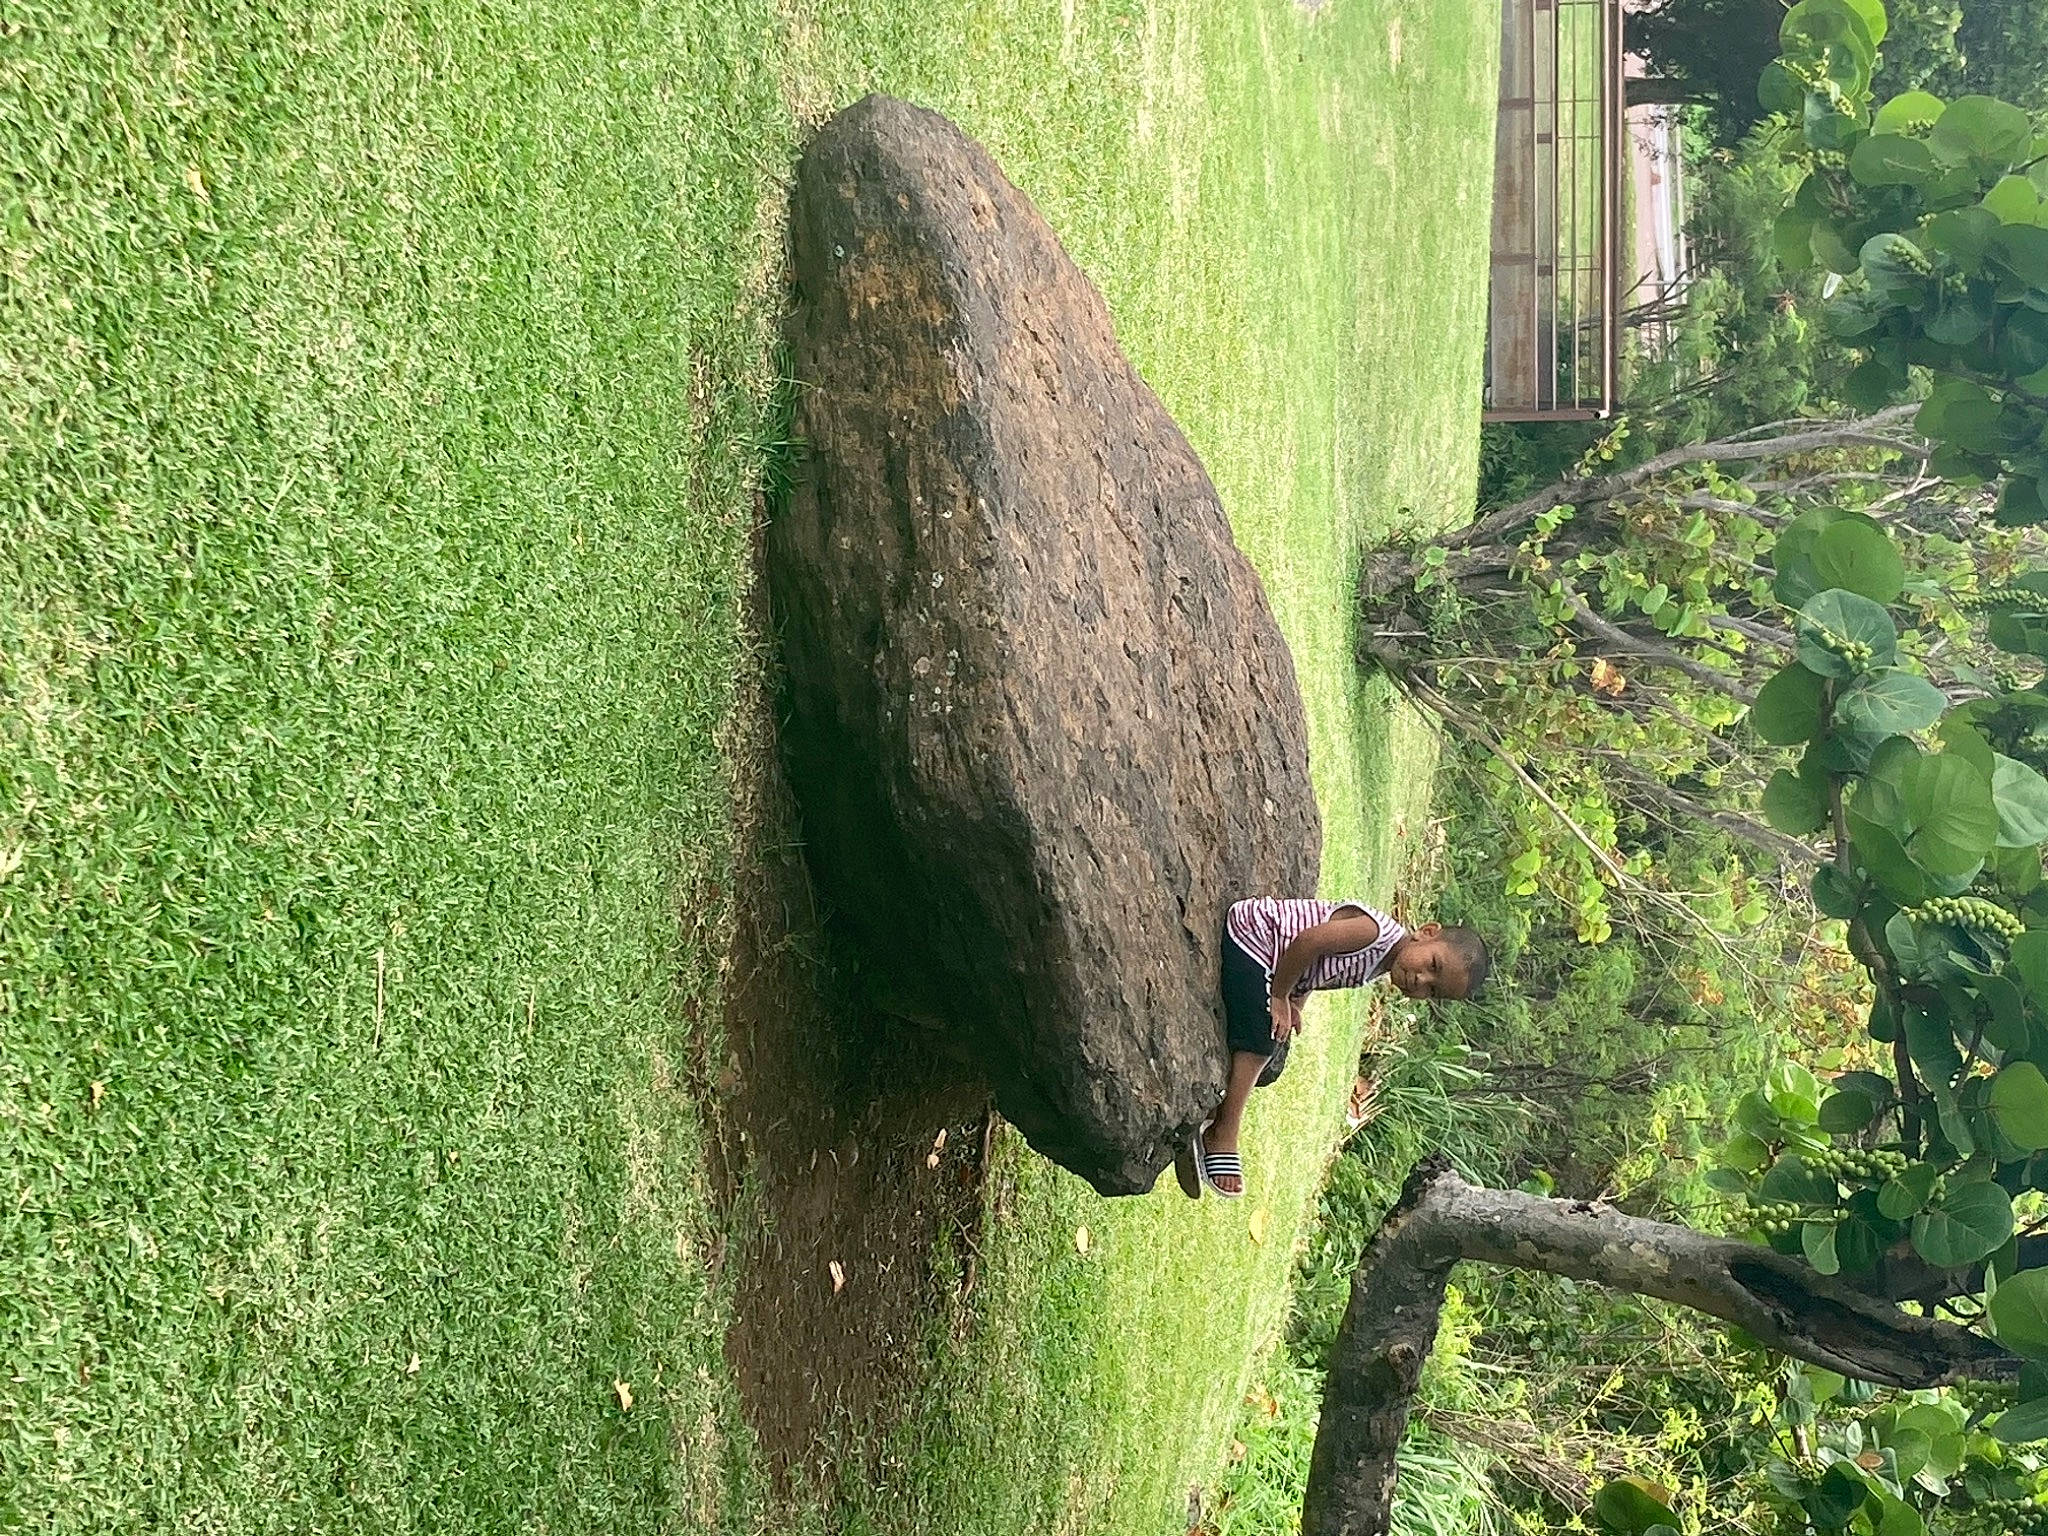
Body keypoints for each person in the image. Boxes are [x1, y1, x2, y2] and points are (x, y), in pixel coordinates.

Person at [1180, 897, 1490, 1199]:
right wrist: (1278, 995)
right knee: (1263, 1038)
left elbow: (1321, 966)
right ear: (1427, 931)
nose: (1420, 980)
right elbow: (1309, 942)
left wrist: (1296, 1001)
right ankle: (1223, 1131)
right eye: (1433, 964)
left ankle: (1211, 1115)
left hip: (1271, 959)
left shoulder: (1382, 962)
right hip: (1254, 937)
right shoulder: (1375, 933)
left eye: (1432, 990)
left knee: (1273, 1036)